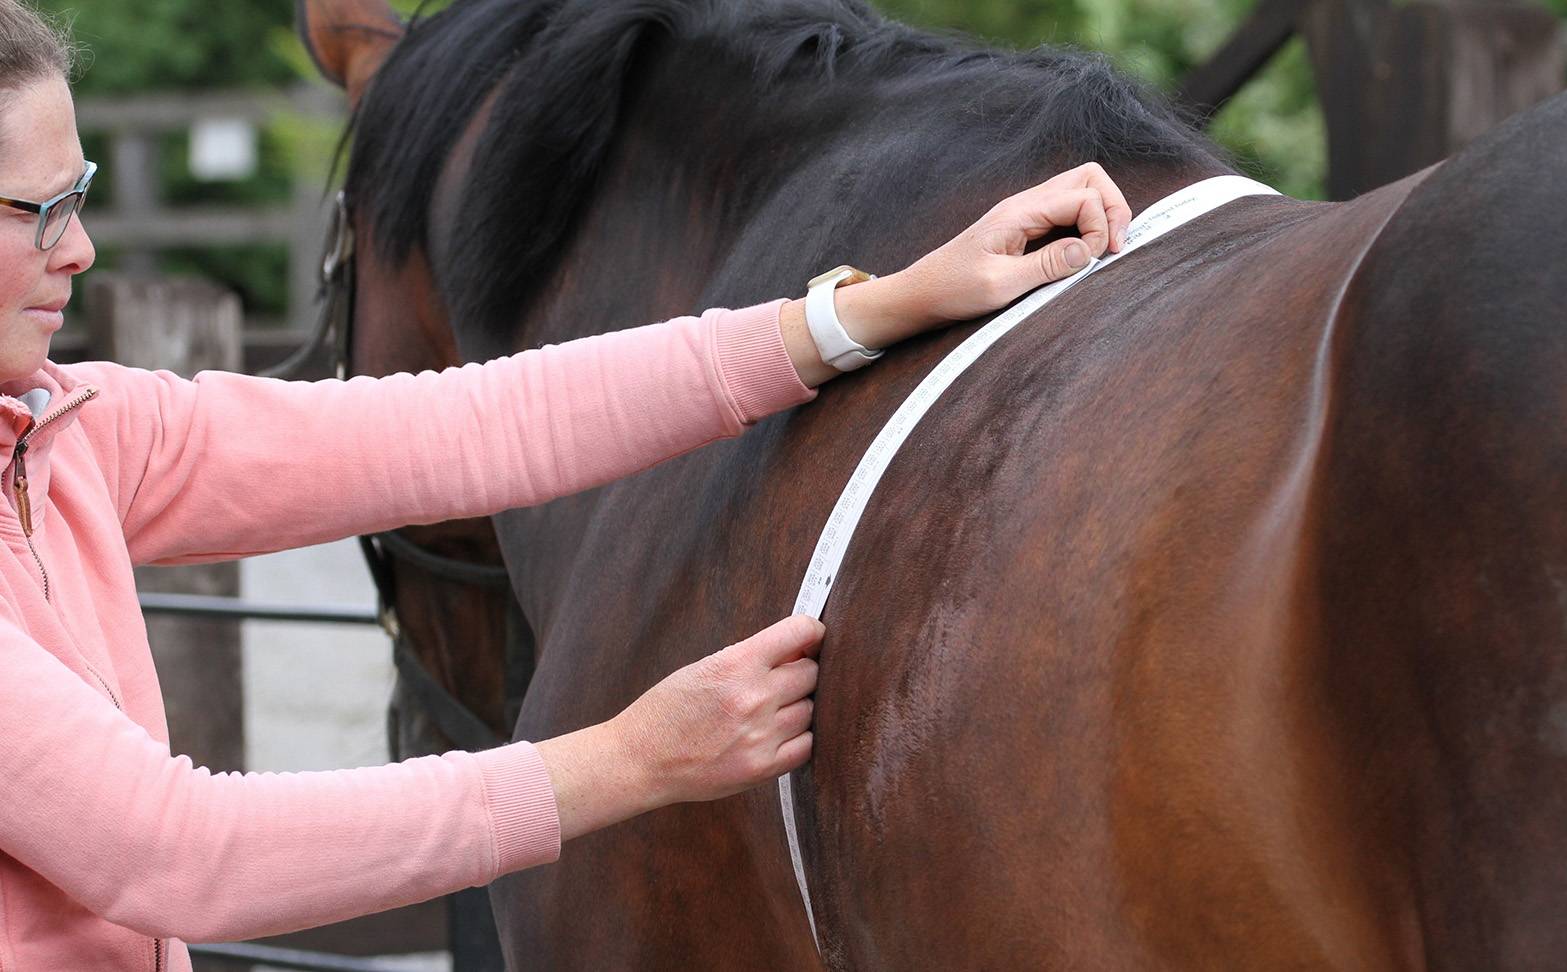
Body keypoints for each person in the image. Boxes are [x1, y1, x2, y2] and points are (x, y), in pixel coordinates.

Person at [0, 1, 1131, 968]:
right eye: (41, 211)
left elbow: (471, 423)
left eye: (84, 193)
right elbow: (182, 853)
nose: (83, 248)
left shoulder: (72, 428)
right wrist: (632, 759)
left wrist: (865, 311)